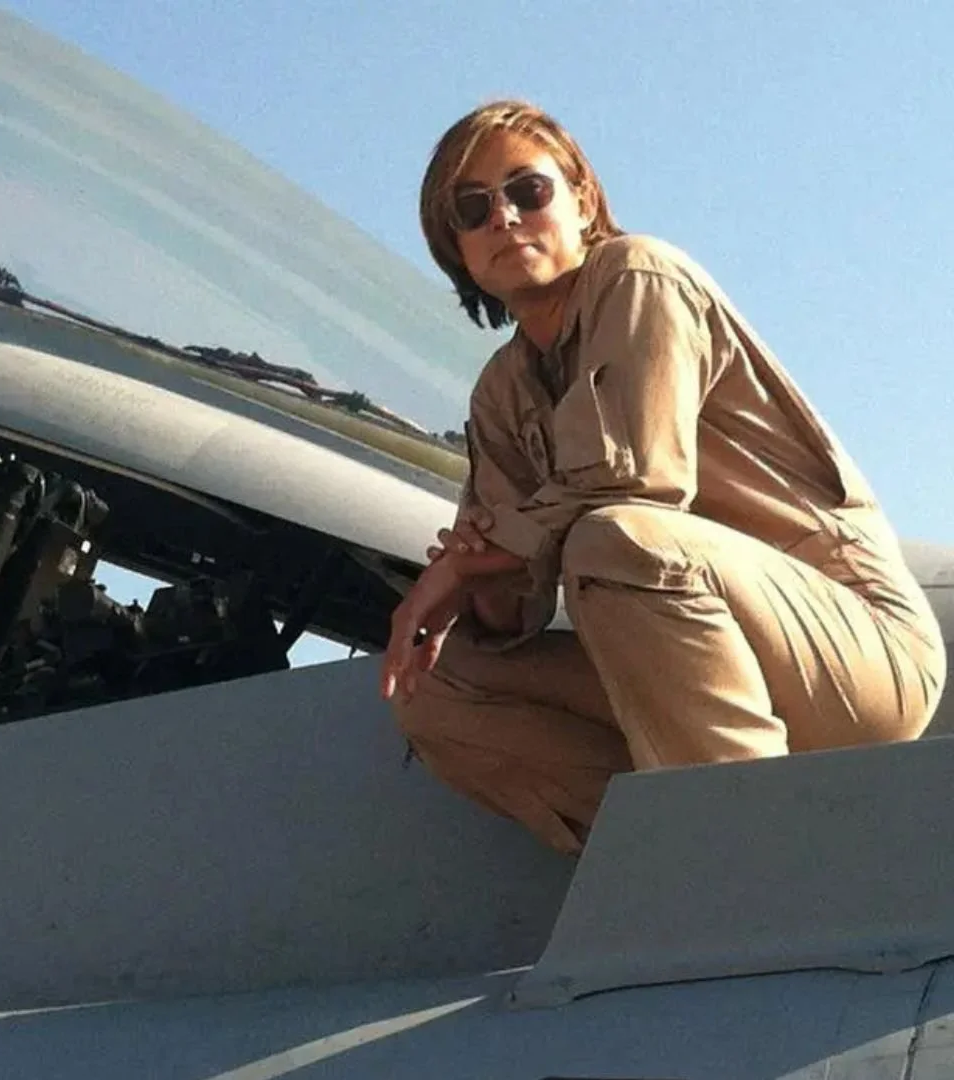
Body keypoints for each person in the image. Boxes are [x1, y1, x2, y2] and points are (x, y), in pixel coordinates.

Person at [379, 99, 948, 856]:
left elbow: (637, 484)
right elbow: (511, 607)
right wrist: (476, 576)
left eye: (528, 191)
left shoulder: (640, 274)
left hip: (854, 656)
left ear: (581, 199)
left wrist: (468, 560)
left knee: (620, 540)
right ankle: (671, 852)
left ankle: (759, 867)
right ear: (454, 246)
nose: (505, 219)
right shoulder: (501, 392)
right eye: (473, 208)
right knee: (440, 685)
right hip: (680, 658)